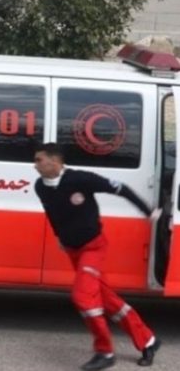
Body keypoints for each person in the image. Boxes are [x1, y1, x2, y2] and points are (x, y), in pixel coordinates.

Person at [33, 143, 162, 370]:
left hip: (93, 248)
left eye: (39, 160)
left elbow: (120, 188)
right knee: (107, 299)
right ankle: (148, 340)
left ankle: (105, 352)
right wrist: (59, 237)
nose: (35, 165)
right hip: (73, 251)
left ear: (55, 161)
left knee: (83, 297)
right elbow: (52, 214)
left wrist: (148, 211)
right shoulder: (40, 186)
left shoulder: (80, 179)